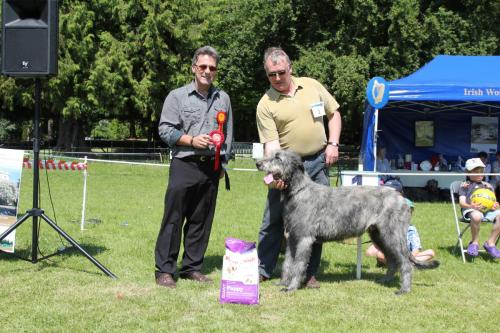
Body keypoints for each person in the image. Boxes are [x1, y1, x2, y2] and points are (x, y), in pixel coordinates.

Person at [256, 47, 342, 288]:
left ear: (290, 68)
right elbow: (272, 146)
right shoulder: (265, 104)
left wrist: (333, 144)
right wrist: (277, 175)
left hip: (318, 162)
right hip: (287, 166)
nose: (277, 78)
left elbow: (334, 114)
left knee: (318, 220)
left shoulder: (312, 86)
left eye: (281, 72)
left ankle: (308, 273)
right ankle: (263, 269)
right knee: (272, 219)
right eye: (271, 74)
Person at [154, 46, 233, 288]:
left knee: (201, 220)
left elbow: (228, 134)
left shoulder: (224, 98)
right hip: (184, 163)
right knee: (174, 218)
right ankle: (165, 270)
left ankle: (192, 267)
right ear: (193, 68)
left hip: (211, 167)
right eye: (203, 67)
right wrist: (191, 140)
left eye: (212, 68)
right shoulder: (176, 96)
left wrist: (223, 164)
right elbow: (164, 129)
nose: (207, 71)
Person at [365, 180, 436, 265]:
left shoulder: (410, 229)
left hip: (408, 255)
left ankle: (405, 263)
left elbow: (416, 250)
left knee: (430, 252)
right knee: (376, 253)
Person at [458, 158, 500, 258]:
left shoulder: (488, 186)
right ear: (468, 172)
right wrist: (470, 206)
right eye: (476, 172)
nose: (480, 174)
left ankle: (490, 243)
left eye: (481, 171)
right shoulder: (465, 186)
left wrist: (494, 206)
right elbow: (462, 203)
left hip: (487, 211)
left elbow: (493, 202)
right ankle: (474, 243)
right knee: (476, 216)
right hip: (471, 210)